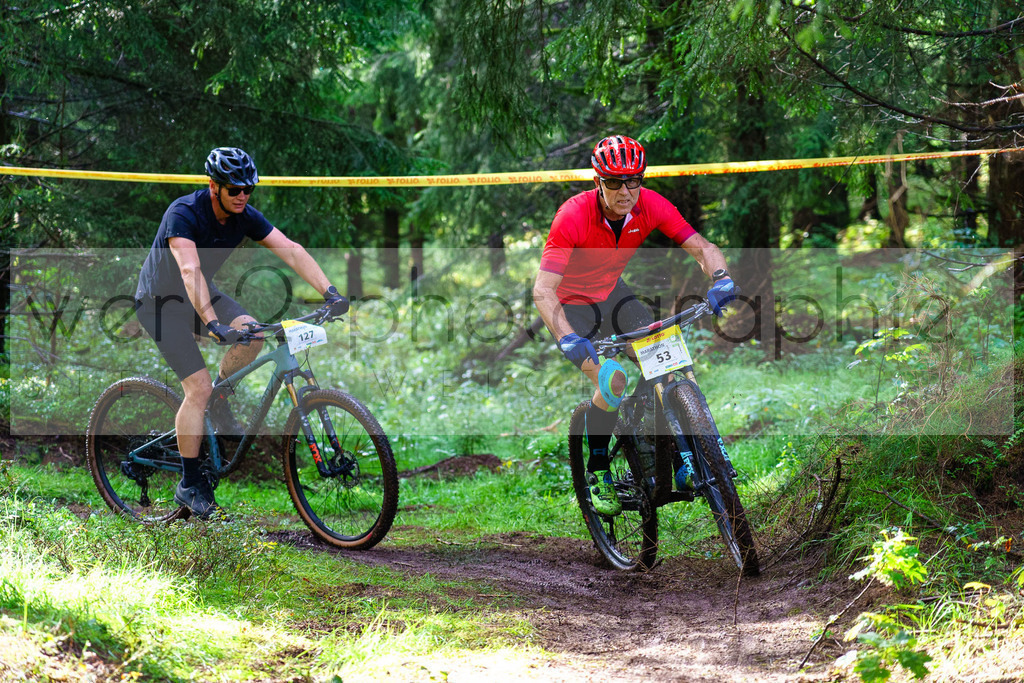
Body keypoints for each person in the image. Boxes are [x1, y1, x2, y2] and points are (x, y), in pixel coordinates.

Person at [134, 147, 348, 519]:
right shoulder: (182, 214)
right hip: (159, 304)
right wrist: (211, 323)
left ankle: (218, 400)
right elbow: (189, 270)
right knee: (197, 388)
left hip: (201, 294)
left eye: (248, 189)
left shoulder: (243, 215)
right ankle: (189, 484)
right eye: (234, 189)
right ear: (213, 186)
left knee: (254, 334)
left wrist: (330, 292)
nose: (242, 196)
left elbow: (291, 250)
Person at [533, 135, 738, 516]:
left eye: (633, 180)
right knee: (612, 381)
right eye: (614, 182)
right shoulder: (572, 216)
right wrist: (567, 338)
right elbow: (543, 290)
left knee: (666, 360)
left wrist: (721, 277)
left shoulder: (651, 205)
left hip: (613, 294)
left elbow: (703, 248)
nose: (625, 191)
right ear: (598, 181)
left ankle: (678, 458)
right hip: (572, 306)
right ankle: (598, 470)